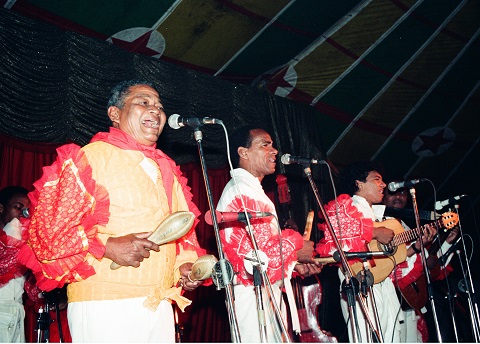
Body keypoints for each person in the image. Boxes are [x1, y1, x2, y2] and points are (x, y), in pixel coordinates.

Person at [18, 80, 207, 342]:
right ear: (115, 114)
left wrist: (184, 267)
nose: (155, 111)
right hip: (104, 303)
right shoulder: (91, 157)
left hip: (159, 302)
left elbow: (182, 234)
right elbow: (47, 235)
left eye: (159, 106)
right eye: (143, 102)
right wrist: (106, 247)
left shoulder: (168, 168)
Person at [215, 125, 322, 342]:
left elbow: (265, 250)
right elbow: (257, 256)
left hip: (264, 293)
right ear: (243, 153)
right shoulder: (240, 190)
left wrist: (295, 263)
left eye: (273, 145)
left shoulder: (253, 190)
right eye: (265, 145)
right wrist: (296, 247)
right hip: (252, 295)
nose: (274, 151)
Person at [315, 161, 402, 342]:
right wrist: (375, 232)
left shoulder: (379, 215)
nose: (384, 185)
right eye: (377, 179)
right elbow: (337, 238)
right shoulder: (346, 208)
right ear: (359, 184)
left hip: (383, 283)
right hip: (360, 283)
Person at [381, 185, 437, 342]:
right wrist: (415, 248)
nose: (398, 196)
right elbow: (387, 258)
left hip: (406, 297)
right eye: (393, 192)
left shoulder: (405, 226)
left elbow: (426, 262)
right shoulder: (378, 222)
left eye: (403, 192)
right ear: (382, 194)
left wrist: (444, 243)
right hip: (387, 298)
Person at [0, 186, 33, 342]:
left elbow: (29, 287)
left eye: (26, 211)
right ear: (1, 208)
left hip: (16, 313)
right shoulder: (11, 237)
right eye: (17, 208)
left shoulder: (23, 241)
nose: (22, 215)